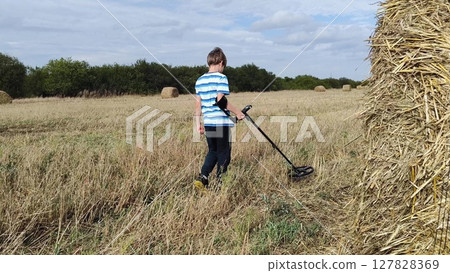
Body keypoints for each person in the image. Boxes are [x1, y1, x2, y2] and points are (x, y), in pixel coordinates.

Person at [194, 47, 245, 191]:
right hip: (221, 123)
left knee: (213, 151)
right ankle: (220, 184)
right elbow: (220, 101)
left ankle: (203, 177)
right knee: (224, 153)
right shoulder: (221, 78)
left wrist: (198, 124)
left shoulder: (200, 80)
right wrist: (238, 112)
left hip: (209, 122)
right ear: (221, 63)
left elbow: (198, 105)